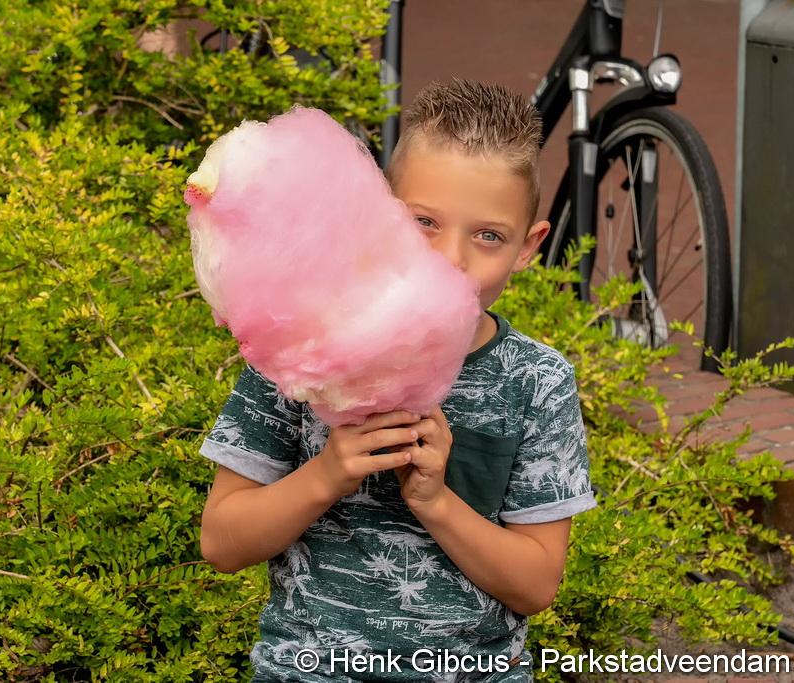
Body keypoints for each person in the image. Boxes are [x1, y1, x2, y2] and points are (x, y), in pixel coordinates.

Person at [198, 78, 596, 682]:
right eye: (424, 222)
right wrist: (328, 474)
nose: (451, 258)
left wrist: (436, 502)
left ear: (528, 245)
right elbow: (222, 543)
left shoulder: (536, 382)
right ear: (378, 213)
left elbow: (536, 584)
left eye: (488, 235)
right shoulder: (300, 345)